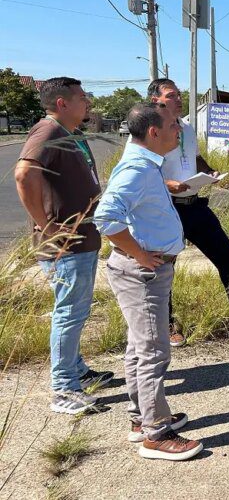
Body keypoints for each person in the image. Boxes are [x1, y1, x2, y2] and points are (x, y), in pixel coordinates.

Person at [94, 103, 202, 461]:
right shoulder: (138, 169)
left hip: (144, 271)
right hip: (142, 274)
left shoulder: (148, 165)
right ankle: (156, 434)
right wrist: (140, 255)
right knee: (154, 351)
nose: (178, 131)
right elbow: (106, 218)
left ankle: (142, 418)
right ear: (154, 132)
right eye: (173, 125)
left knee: (139, 347)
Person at [14, 77, 114, 415]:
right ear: (62, 103)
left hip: (82, 240)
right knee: (69, 313)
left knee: (76, 310)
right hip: (65, 246)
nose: (87, 103)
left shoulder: (70, 133)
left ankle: (76, 371)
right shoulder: (47, 132)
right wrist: (47, 225)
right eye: (82, 98)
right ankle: (63, 389)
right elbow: (24, 174)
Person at [146, 78, 229, 346]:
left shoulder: (187, 127)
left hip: (194, 204)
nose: (179, 99)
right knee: (165, 267)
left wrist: (209, 171)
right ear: (156, 100)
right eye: (172, 95)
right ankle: (166, 325)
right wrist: (169, 185)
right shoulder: (149, 129)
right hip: (165, 209)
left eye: (179, 94)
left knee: (225, 252)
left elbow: (195, 157)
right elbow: (143, 170)